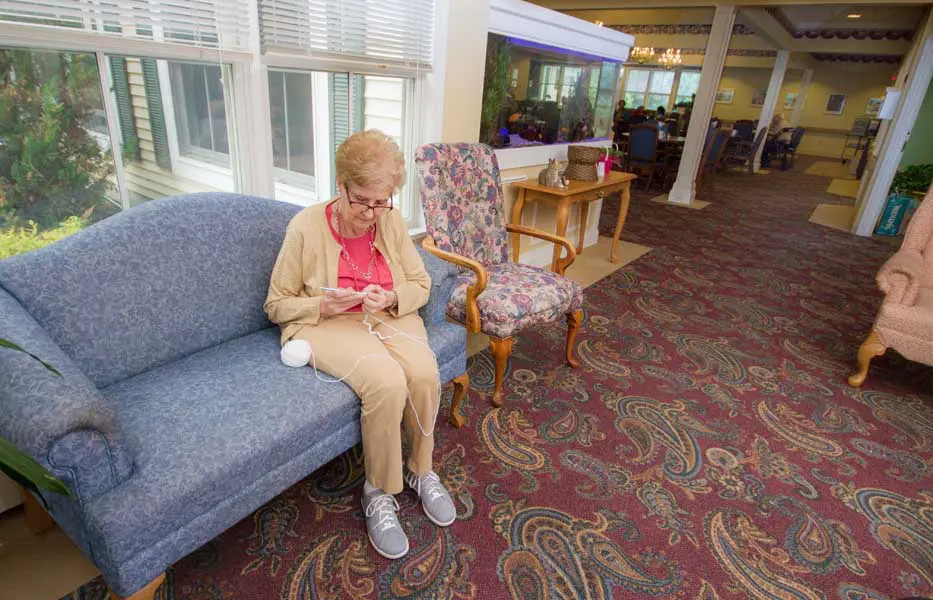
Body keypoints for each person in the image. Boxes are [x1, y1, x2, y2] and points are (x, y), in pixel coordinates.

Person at [264, 130, 456, 560]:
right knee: (386, 381)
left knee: (424, 374)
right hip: (327, 324)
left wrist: (391, 298)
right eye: (362, 201)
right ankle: (379, 490)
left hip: (387, 314)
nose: (371, 213)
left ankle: (421, 469)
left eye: (381, 201)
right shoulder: (305, 227)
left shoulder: (389, 220)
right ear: (341, 185)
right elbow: (276, 305)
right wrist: (322, 304)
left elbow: (420, 283)